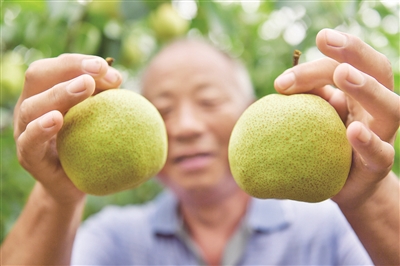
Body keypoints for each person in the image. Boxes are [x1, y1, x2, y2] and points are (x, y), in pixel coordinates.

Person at [1, 28, 399, 265]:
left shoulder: (329, 230)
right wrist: (57, 195)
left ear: (249, 112)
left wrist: (370, 196)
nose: (187, 126)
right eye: (163, 110)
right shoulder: (114, 241)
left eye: (209, 101)